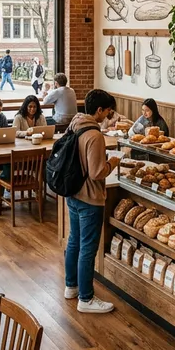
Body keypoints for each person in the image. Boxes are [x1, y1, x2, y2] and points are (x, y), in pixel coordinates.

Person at [65, 89, 122, 314]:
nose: (108, 115)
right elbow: (97, 172)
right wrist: (114, 162)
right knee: (88, 249)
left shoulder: (75, 124)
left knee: (74, 241)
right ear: (99, 110)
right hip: (90, 198)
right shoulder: (95, 135)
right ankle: (86, 299)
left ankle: (71, 287)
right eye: (108, 111)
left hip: (73, 193)